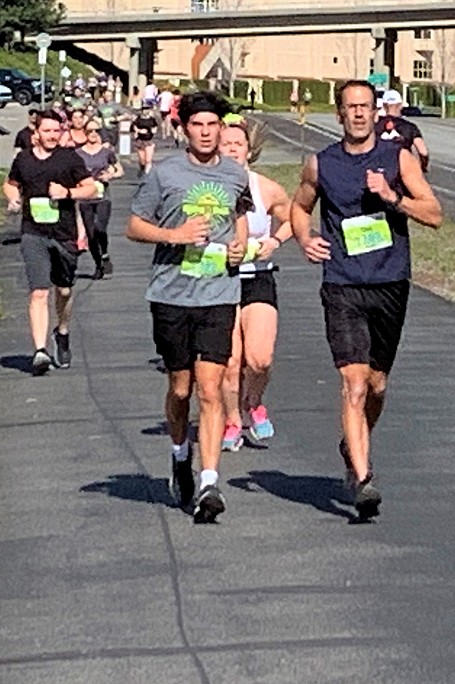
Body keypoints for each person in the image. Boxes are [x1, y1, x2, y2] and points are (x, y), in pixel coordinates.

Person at [290, 79, 442, 519]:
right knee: (353, 384)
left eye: (365, 106)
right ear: (338, 114)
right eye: (350, 107)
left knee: (376, 385)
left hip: (390, 281)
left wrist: (392, 197)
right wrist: (304, 237)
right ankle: (362, 477)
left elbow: (434, 214)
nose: (358, 113)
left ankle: (352, 444)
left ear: (377, 112)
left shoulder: (398, 158)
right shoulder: (320, 164)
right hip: (342, 283)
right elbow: (299, 207)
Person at [125, 91, 250, 523]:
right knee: (181, 388)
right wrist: (174, 236)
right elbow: (134, 225)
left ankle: (210, 482)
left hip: (219, 293)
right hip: (171, 293)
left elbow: (239, 216)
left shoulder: (235, 174)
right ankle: (181, 453)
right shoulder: (164, 173)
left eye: (212, 125)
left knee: (211, 389)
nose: (205, 132)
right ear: (184, 129)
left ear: (221, 128)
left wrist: (240, 246)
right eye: (197, 124)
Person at [3, 110, 99, 376]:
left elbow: (91, 188)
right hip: (33, 232)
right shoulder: (24, 160)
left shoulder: (69, 158)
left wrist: (67, 192)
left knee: (64, 290)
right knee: (39, 292)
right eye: (47, 131)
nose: (52, 136)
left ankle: (63, 330)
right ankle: (40, 351)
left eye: (56, 131)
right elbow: (11, 184)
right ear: (36, 133)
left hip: (63, 233)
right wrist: (13, 198)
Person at [218, 116, 292, 451]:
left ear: (249, 150)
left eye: (238, 144)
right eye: (226, 144)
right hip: (220, 279)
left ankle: (254, 403)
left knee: (259, 359)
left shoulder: (266, 188)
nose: (232, 148)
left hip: (258, 278)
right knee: (230, 363)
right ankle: (233, 421)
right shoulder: (206, 187)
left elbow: (296, 217)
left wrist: (274, 241)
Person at [77, 119, 123, 279]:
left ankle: (105, 254)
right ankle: (98, 265)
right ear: (84, 133)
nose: (93, 134)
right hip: (85, 197)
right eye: (89, 131)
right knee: (90, 234)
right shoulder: (78, 153)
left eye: (96, 131)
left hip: (103, 196)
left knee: (100, 228)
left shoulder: (106, 152)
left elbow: (119, 170)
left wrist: (110, 175)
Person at [375, 89, 429, 172]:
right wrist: (423, 166)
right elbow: (423, 151)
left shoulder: (374, 125)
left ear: (384, 106)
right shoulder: (410, 127)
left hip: (379, 168)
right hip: (402, 169)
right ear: (400, 105)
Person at [132, 108, 159, 176]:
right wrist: (138, 131)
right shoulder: (138, 119)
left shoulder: (152, 119)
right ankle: (142, 169)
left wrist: (153, 130)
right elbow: (134, 127)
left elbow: (155, 127)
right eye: (144, 109)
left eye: (147, 109)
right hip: (140, 141)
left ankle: (147, 175)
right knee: (142, 161)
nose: (145, 111)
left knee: (148, 160)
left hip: (149, 141)